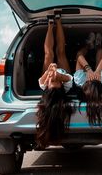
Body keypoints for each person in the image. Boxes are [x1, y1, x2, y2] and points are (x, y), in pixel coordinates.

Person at [36, 15, 73, 148]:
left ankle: (50, 25)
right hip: (64, 71)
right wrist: (57, 74)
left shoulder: (44, 84)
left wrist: (48, 72)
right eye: (55, 82)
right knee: (61, 52)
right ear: (61, 87)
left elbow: (41, 80)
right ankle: (58, 21)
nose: (53, 81)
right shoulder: (66, 85)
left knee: (49, 54)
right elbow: (68, 78)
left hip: (49, 70)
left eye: (51, 83)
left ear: (47, 87)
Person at [74, 32, 102, 125]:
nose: (92, 79)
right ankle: (98, 46)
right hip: (97, 70)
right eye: (94, 81)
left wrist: (88, 70)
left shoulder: (80, 81)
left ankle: (88, 46)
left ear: (85, 86)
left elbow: (79, 57)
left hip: (85, 68)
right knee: (100, 52)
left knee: (79, 53)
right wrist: (97, 71)